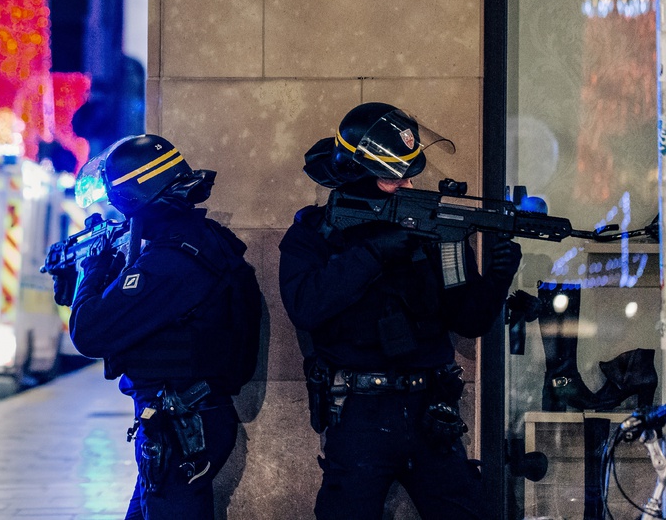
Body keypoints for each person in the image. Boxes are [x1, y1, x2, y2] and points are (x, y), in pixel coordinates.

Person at [278, 102, 522, 520]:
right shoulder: (316, 233)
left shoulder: (435, 230)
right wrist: (374, 253)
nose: (407, 186)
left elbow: (470, 320)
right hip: (357, 411)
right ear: (357, 172)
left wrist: (498, 278)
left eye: (409, 174)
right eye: (392, 179)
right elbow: (306, 306)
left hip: (431, 410)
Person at [52, 134, 262, 519]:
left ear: (134, 196)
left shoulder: (172, 260)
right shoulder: (195, 241)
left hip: (182, 423)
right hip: (184, 417)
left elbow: (90, 332)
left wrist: (92, 270)